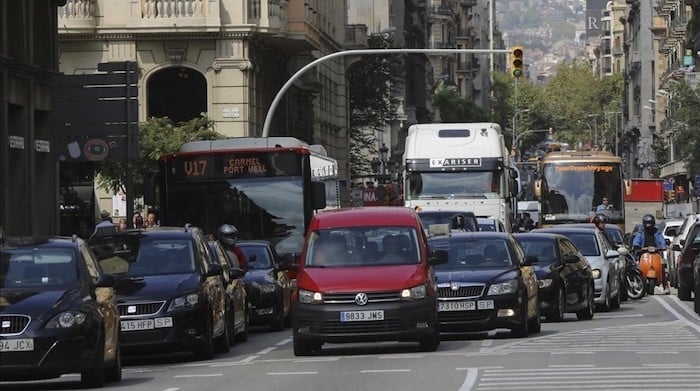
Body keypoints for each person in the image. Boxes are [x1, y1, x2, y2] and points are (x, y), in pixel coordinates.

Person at [632, 214, 669, 294]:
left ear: (653, 223)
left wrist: (663, 246)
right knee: (637, 267)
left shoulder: (657, 233)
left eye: (651, 223)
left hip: (656, 253)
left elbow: (662, 241)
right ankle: (637, 284)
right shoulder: (640, 233)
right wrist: (637, 246)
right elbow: (636, 241)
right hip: (642, 254)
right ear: (644, 224)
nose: (649, 225)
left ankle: (665, 286)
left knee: (662, 267)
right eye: (647, 223)